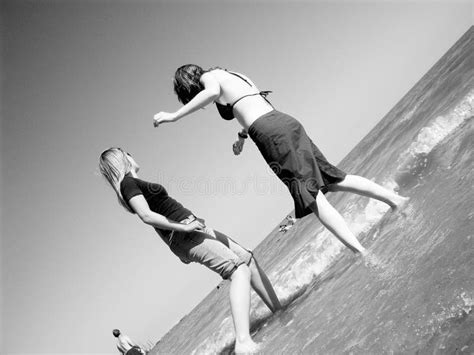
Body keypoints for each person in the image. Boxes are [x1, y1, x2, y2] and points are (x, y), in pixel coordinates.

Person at [153, 65, 409, 257]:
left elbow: (210, 92)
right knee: (332, 178)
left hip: (270, 132)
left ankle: (361, 253)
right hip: (283, 122)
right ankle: (396, 201)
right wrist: (242, 136)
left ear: (190, 81)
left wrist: (174, 116)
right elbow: (251, 104)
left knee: (311, 196)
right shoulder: (234, 75)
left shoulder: (210, 77)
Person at [100, 148, 281, 354]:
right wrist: (184, 228)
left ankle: (280, 311)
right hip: (185, 232)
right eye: (128, 152)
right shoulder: (128, 184)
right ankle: (243, 342)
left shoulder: (132, 183)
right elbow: (146, 215)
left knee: (247, 259)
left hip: (192, 228)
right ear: (122, 159)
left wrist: (185, 234)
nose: (132, 154)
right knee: (239, 270)